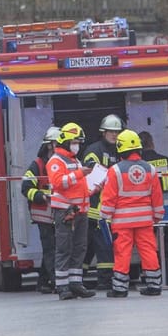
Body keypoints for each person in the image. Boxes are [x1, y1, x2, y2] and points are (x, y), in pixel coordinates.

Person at [101, 130, 165, 297]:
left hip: (122, 222)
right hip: (145, 220)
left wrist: (104, 215)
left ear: (120, 148)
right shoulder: (150, 169)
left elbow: (109, 197)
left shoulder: (115, 170)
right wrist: (158, 215)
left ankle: (120, 289)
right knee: (149, 251)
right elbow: (157, 196)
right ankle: (154, 285)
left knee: (122, 252)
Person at [45, 123, 94, 299]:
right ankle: (62, 287)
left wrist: (93, 188)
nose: (77, 145)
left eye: (78, 142)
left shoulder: (75, 161)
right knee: (64, 248)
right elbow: (59, 183)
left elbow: (78, 187)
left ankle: (75, 283)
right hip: (65, 212)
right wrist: (82, 173)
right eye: (74, 142)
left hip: (80, 211)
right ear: (65, 142)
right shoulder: (56, 161)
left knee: (80, 248)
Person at [79, 114, 124, 289]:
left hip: (109, 210)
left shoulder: (120, 150)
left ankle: (78, 278)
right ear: (103, 133)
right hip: (95, 210)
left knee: (89, 248)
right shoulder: (94, 151)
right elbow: (91, 176)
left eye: (117, 132)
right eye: (111, 132)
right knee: (103, 247)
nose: (114, 135)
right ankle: (104, 281)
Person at [21, 127, 62, 292]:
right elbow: (25, 187)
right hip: (43, 214)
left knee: (56, 247)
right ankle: (57, 282)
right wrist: (40, 196)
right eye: (57, 144)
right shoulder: (37, 165)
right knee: (51, 248)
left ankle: (43, 282)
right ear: (49, 145)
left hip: (60, 212)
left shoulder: (64, 163)